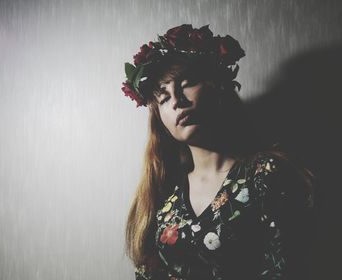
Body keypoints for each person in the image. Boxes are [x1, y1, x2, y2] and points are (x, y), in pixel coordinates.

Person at [122, 24, 315, 280]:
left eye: (187, 83)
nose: (177, 100)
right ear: (160, 119)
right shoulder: (164, 191)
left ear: (217, 88)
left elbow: (289, 269)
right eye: (164, 97)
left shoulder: (265, 174)